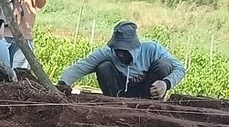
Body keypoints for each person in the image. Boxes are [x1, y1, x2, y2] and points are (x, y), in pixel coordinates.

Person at [58, 21, 186, 99]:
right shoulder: (108, 53)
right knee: (104, 67)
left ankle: (152, 102)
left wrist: (166, 84)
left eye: (124, 51)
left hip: (147, 90)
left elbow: (179, 68)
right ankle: (114, 103)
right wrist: (62, 84)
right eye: (117, 49)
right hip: (119, 92)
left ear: (134, 47)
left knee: (164, 65)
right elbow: (82, 66)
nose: (120, 54)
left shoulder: (152, 49)